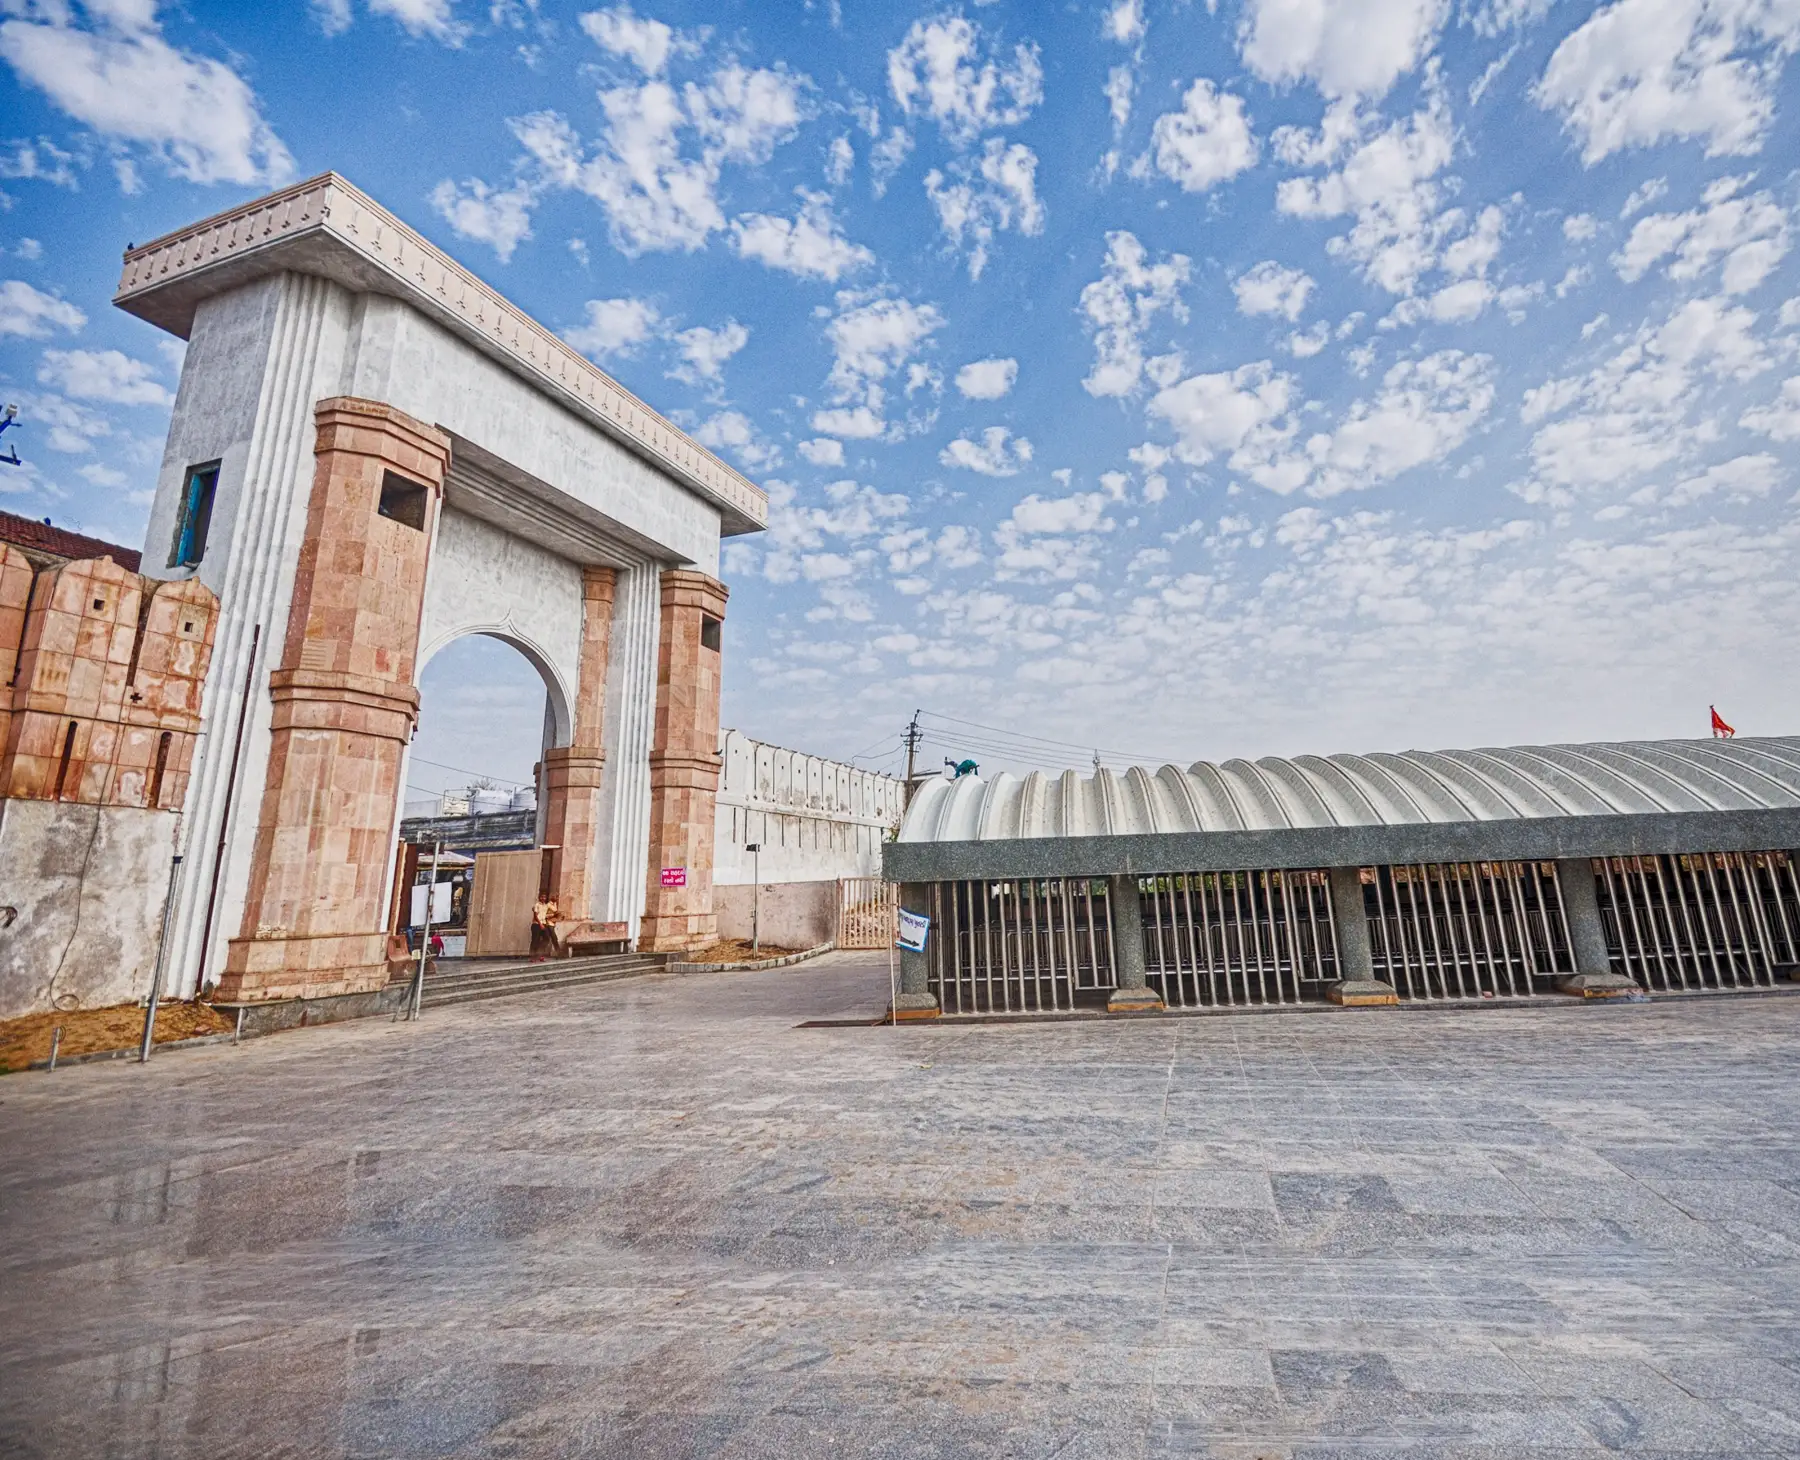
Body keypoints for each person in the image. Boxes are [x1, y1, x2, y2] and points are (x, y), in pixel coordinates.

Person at [530, 895, 560, 961]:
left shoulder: (545, 906)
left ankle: (539, 954)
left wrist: (554, 915)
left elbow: (548, 913)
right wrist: (540, 924)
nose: (543, 898)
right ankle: (532, 957)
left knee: (546, 939)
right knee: (535, 940)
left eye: (544, 897)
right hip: (537, 924)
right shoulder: (537, 905)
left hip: (544, 924)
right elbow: (535, 916)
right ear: (539, 897)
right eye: (542, 897)